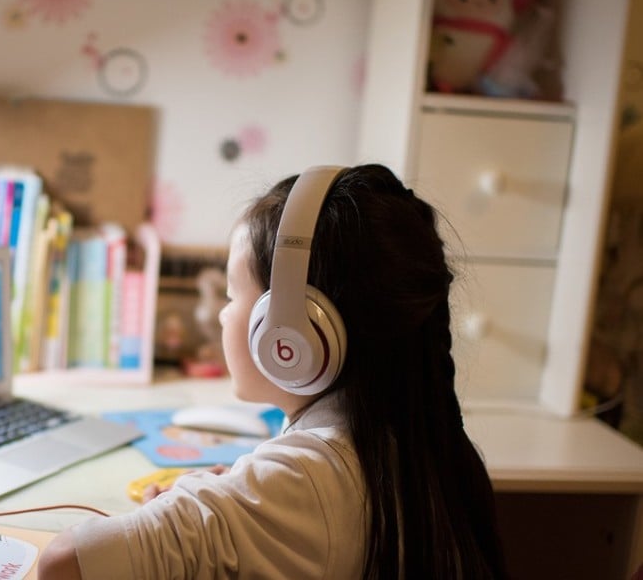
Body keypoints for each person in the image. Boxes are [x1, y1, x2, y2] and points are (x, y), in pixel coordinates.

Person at [37, 164, 506, 579]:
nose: (223, 315)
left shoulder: (302, 483)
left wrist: (217, 502)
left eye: (231, 295)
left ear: (290, 335)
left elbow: (63, 564)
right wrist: (234, 497)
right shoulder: (421, 442)